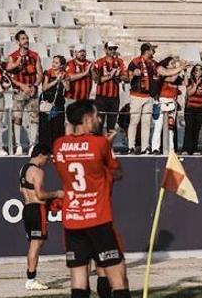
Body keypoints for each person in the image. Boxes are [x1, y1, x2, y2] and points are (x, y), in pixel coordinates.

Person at [54, 100, 130, 298]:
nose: (99, 120)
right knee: (117, 278)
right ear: (87, 119)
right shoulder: (100, 143)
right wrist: (106, 152)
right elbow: (117, 173)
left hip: (73, 219)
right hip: (98, 217)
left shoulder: (59, 145)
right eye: (96, 116)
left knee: (78, 281)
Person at [127, 43, 186, 154]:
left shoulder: (154, 63)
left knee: (146, 123)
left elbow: (166, 72)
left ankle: (145, 147)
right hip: (137, 95)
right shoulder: (136, 61)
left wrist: (181, 68)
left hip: (149, 96)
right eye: (152, 50)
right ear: (147, 51)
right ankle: (131, 146)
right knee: (134, 121)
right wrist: (133, 74)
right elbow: (127, 76)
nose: (154, 52)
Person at [19, 144, 64, 291]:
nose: (47, 161)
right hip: (37, 209)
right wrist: (57, 194)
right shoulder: (37, 171)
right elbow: (40, 194)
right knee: (36, 245)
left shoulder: (23, 169)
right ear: (40, 155)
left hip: (27, 208)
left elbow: (21, 189)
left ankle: (30, 278)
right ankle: (31, 280)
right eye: (47, 158)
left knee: (33, 244)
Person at [6, 30, 43, 155]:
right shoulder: (13, 56)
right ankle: (18, 145)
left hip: (32, 91)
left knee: (34, 118)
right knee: (17, 118)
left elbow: (40, 74)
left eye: (26, 38)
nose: (26, 40)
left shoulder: (35, 55)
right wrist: (22, 85)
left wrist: (35, 86)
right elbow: (9, 75)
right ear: (18, 42)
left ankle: (32, 144)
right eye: (23, 39)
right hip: (19, 91)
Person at [91, 42, 126, 140]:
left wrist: (119, 76)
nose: (113, 51)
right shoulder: (99, 62)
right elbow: (96, 80)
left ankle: (109, 146)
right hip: (101, 97)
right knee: (99, 123)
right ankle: (97, 145)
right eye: (110, 49)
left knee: (111, 125)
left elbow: (127, 78)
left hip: (114, 97)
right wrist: (110, 75)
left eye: (114, 49)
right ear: (105, 49)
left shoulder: (120, 62)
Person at [152, 57, 185, 154]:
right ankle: (155, 148)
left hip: (172, 102)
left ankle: (171, 148)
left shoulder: (175, 74)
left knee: (170, 127)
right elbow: (171, 78)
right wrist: (180, 67)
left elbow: (185, 82)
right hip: (161, 101)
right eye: (172, 63)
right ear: (166, 64)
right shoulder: (163, 74)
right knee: (158, 126)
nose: (174, 64)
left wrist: (185, 71)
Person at [38, 55, 69, 149]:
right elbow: (44, 87)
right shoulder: (48, 73)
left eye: (56, 63)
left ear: (61, 65)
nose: (54, 64)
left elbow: (68, 88)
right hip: (47, 102)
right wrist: (56, 81)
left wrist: (63, 80)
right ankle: (45, 147)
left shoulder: (65, 74)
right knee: (45, 126)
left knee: (58, 126)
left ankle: (56, 147)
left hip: (58, 103)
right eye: (53, 62)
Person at [181, 64, 202, 155]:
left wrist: (200, 91)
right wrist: (196, 85)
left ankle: (194, 149)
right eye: (196, 70)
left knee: (197, 129)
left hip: (201, 108)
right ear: (193, 72)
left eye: (200, 70)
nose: (198, 71)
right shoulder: (190, 80)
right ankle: (186, 149)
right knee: (189, 128)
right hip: (190, 108)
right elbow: (189, 93)